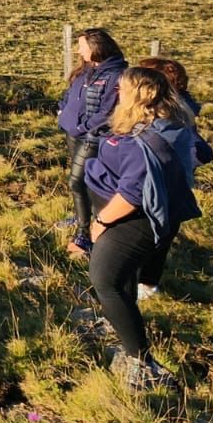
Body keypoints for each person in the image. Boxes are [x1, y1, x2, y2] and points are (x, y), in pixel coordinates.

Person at [84, 66, 211, 389]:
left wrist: (100, 222)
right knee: (121, 278)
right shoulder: (150, 125)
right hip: (118, 211)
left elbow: (132, 194)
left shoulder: (150, 138)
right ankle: (124, 332)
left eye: (123, 88)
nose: (117, 92)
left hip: (130, 220)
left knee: (106, 279)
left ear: (140, 96)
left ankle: (141, 361)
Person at [133, 56, 213, 299]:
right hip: (172, 185)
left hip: (159, 185)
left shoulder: (169, 117)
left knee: (153, 232)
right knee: (161, 230)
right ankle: (145, 281)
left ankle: (143, 283)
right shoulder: (180, 111)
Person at [58, 28, 127, 256]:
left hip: (93, 137)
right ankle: (82, 217)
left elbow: (108, 111)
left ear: (96, 47)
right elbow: (70, 93)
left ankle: (84, 234)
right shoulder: (86, 69)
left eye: (82, 46)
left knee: (77, 182)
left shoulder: (117, 75)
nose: (79, 50)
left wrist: (83, 126)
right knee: (82, 181)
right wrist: (62, 110)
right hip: (74, 133)